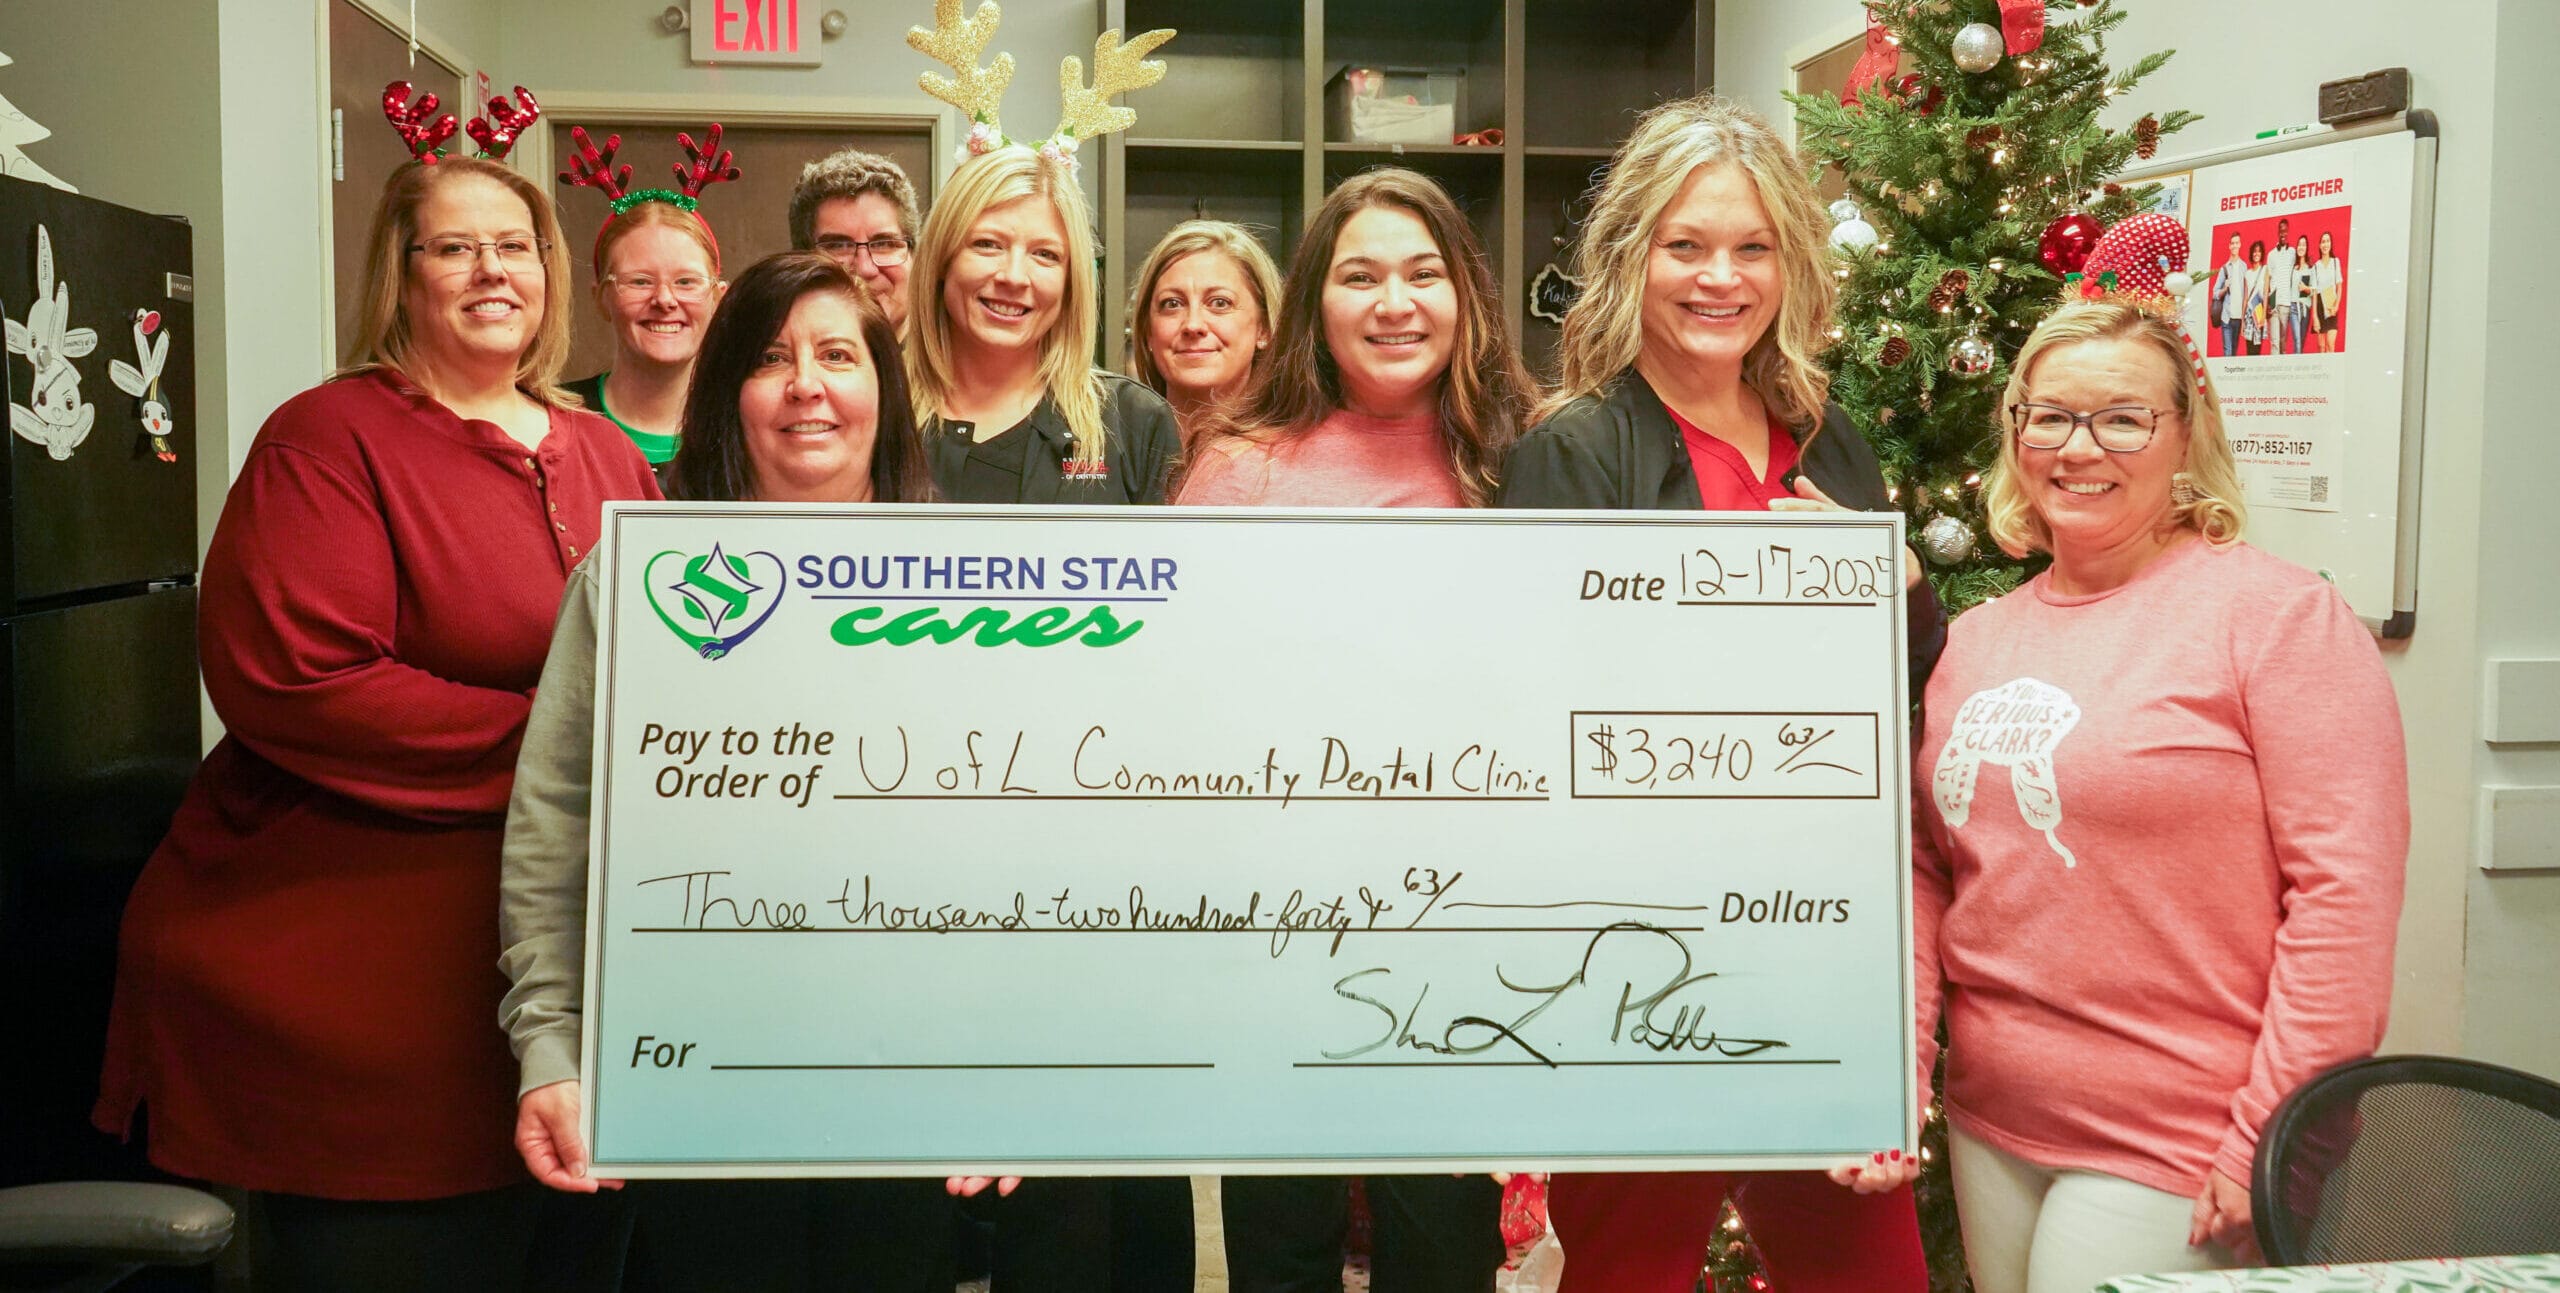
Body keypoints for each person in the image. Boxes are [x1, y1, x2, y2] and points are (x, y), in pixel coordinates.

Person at [92, 152, 661, 1291]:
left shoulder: (600, 448)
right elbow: (305, 679)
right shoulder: (326, 437)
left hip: (559, 974)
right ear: (401, 278)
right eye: (455, 248)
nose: (491, 270)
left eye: (515, 246)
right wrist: (576, 752)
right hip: (354, 992)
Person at [1493, 92, 1941, 1293]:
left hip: (1816, 948)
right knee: (1627, 1271)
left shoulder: (1826, 438)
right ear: (1629, 257)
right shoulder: (1574, 450)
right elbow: (1535, 716)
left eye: (1751, 248)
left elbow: (1903, 690)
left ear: (1789, 267)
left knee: (1872, 1275)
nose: (1719, 279)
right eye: (1684, 246)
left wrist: (1900, 588)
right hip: (1645, 958)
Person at [1916, 299, 2406, 1293]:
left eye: (2122, 418)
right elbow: (1930, 870)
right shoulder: (1976, 640)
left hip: (2183, 1138)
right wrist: (1897, 1061)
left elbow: (2343, 902)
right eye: (2049, 416)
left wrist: (2268, 1135)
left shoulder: (2278, 619)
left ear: (2186, 433)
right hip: (1993, 1117)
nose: (2078, 447)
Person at [501, 252, 954, 1292]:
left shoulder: (980, 593)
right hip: (694, 1077)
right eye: (769, 359)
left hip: (911, 1081)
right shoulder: (633, 581)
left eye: (838, 356)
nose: (806, 386)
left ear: (884, 391)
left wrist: (1013, 1074)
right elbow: (556, 828)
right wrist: (552, 1045)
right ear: (726, 395)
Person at [1184, 169, 1535, 1293]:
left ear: (1466, 294)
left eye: (1423, 273)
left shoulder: (1523, 461)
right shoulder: (1239, 468)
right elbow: (1182, 702)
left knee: (1442, 1248)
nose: (1395, 303)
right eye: (1360, 276)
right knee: (1282, 1246)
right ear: (1314, 304)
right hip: (1274, 928)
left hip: (1465, 930)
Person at [908, 144, 1180, 506]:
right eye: (987, 244)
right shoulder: (874, 408)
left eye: (1045, 254)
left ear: (1071, 280)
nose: (1014, 276)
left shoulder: (1135, 423)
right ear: (942, 259)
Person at [558, 129, 736, 477]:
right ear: (601, 297)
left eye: (686, 282)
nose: (665, 300)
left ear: (719, 298)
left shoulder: (748, 425)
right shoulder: (553, 421)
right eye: (640, 281)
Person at [1125, 218, 1282, 442]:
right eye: (1172, 304)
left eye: (1220, 303)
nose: (1193, 325)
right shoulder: (1111, 449)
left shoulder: (1299, 457)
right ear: (1147, 331)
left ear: (1263, 328)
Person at [790, 147, 924, 335]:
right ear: (801, 263)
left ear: (914, 256)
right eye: (838, 246)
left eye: (883, 244)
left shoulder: (950, 353)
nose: (864, 269)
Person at [2208, 232, 2245, 357]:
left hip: (2238, 317)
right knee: (2227, 353)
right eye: (2232, 243)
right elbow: (2215, 293)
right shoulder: (2224, 268)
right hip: (2226, 317)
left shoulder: (2244, 267)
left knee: (2234, 353)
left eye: (2236, 243)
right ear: (2229, 246)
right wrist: (2224, 288)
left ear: (2240, 244)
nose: (2234, 245)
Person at [2265, 218, 2298, 354]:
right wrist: (2268, 303)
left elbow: (2300, 270)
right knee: (2274, 343)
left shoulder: (2293, 252)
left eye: (2285, 231)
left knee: (2282, 343)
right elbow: (2268, 281)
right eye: (2281, 231)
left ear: (2288, 232)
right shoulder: (2271, 254)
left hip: (2286, 303)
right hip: (2273, 303)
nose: (2283, 233)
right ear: (2278, 232)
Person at [2309, 230, 2343, 352]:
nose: (2325, 244)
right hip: (2319, 307)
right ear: (2319, 245)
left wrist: (2336, 306)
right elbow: (2314, 293)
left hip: (2331, 306)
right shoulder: (2315, 267)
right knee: (2321, 346)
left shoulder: (2335, 262)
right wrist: (2314, 317)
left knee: (2330, 344)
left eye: (2328, 241)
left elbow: (2339, 286)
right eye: (2323, 242)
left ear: (2331, 244)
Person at [2241, 240, 2270, 356]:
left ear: (2262, 254)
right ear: (2251, 254)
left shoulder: (2265, 270)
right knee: (2249, 348)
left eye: (2259, 251)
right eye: (2254, 251)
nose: (2256, 254)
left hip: (2258, 311)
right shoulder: (2247, 273)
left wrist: (2263, 315)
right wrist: (2242, 320)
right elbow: (2245, 298)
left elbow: (2265, 293)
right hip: (2249, 313)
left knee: (2257, 347)